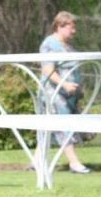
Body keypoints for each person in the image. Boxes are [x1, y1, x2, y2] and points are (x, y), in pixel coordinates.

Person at [39, 10, 92, 174]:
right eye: (71, 27)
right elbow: (47, 70)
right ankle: (74, 163)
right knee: (64, 125)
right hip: (53, 93)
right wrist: (64, 84)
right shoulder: (49, 44)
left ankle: (37, 161)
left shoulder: (68, 47)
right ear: (60, 26)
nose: (74, 31)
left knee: (49, 127)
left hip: (69, 95)